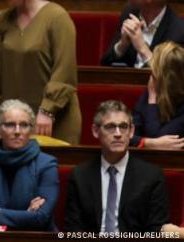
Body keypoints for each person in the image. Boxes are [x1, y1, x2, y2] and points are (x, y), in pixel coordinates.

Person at [0, 0, 81, 144]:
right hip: (14, 123)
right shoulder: (4, 19)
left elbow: (64, 71)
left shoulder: (58, 17)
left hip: (53, 121)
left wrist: (47, 110)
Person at [65, 100, 170, 233]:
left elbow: (156, 231)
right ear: (95, 131)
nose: (118, 133)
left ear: (131, 131)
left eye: (123, 126)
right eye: (110, 127)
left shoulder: (152, 176)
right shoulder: (80, 175)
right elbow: (74, 229)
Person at [0, 99, 59, 230]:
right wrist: (25, 217)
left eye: (24, 125)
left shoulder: (47, 164)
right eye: (10, 125)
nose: (17, 131)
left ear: (31, 130)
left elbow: (41, 218)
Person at [100, 0, 184, 67]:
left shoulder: (178, 32)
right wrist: (121, 45)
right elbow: (105, 64)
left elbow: (170, 78)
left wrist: (142, 48)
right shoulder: (129, 13)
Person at [133, 42, 184, 149]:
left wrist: (152, 100)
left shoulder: (152, 93)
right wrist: (148, 143)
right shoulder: (150, 92)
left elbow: (158, 139)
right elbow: (129, 135)